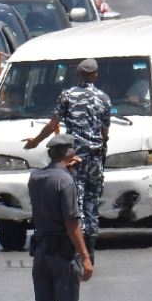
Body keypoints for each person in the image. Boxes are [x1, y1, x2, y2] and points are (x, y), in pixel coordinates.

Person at [22, 58, 111, 259]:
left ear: (78, 75)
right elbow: (105, 132)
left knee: (75, 203)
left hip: (74, 158)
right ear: (95, 75)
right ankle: (91, 251)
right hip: (95, 159)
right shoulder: (103, 98)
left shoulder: (67, 95)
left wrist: (36, 141)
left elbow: (54, 123)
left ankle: (79, 254)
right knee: (91, 204)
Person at [27, 134, 95, 301]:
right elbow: (72, 223)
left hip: (41, 254)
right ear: (69, 153)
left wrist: (67, 169)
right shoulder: (66, 181)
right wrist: (85, 256)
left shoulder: (36, 178)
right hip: (63, 256)